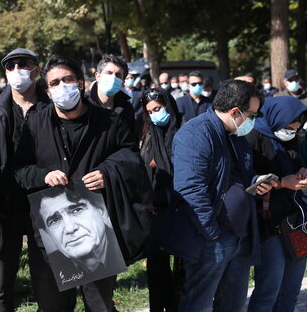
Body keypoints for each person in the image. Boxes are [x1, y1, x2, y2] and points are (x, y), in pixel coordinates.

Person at [14, 55, 146, 312]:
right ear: (47, 91)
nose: (62, 86)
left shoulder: (109, 122)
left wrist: (107, 172)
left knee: (100, 304)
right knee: (52, 305)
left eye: (68, 79)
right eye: (55, 83)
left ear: (81, 83)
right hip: (50, 232)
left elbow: (131, 158)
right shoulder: (35, 124)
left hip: (96, 230)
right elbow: (19, 169)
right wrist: (43, 175)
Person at [169, 80, 275, 312]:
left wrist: (255, 182)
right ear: (235, 112)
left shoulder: (235, 135)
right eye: (252, 115)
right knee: (199, 304)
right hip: (213, 237)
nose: (254, 120)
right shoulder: (195, 133)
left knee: (233, 303)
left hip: (240, 235)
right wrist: (212, 233)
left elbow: (235, 175)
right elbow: (190, 188)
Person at [0, 47, 50, 312]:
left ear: (36, 70)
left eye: (23, 64)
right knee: (2, 279)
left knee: (46, 275)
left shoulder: (50, 105)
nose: (17, 70)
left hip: (43, 198)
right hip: (5, 199)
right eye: (10, 66)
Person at [246, 96, 307, 312]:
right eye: (287, 127)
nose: (290, 132)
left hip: (297, 221)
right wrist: (281, 183)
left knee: (291, 290)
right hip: (270, 225)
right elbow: (248, 179)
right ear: (276, 119)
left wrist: (302, 172)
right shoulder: (253, 136)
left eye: (295, 129)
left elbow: (294, 163)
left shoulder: (290, 139)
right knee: (269, 290)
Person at [140, 87, 183, 312]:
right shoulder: (151, 136)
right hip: (159, 209)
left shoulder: (185, 130)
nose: (156, 114)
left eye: (159, 108)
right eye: (151, 111)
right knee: (158, 269)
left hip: (185, 209)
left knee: (184, 270)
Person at [30, 185, 117, 275]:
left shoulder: (121, 246)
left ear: (102, 211)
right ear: (47, 232)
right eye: (55, 220)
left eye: (77, 210)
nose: (70, 228)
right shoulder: (52, 266)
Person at [86, 54, 135, 127]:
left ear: (122, 83)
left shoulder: (127, 109)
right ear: (97, 76)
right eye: (109, 73)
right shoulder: (83, 104)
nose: (113, 78)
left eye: (118, 75)